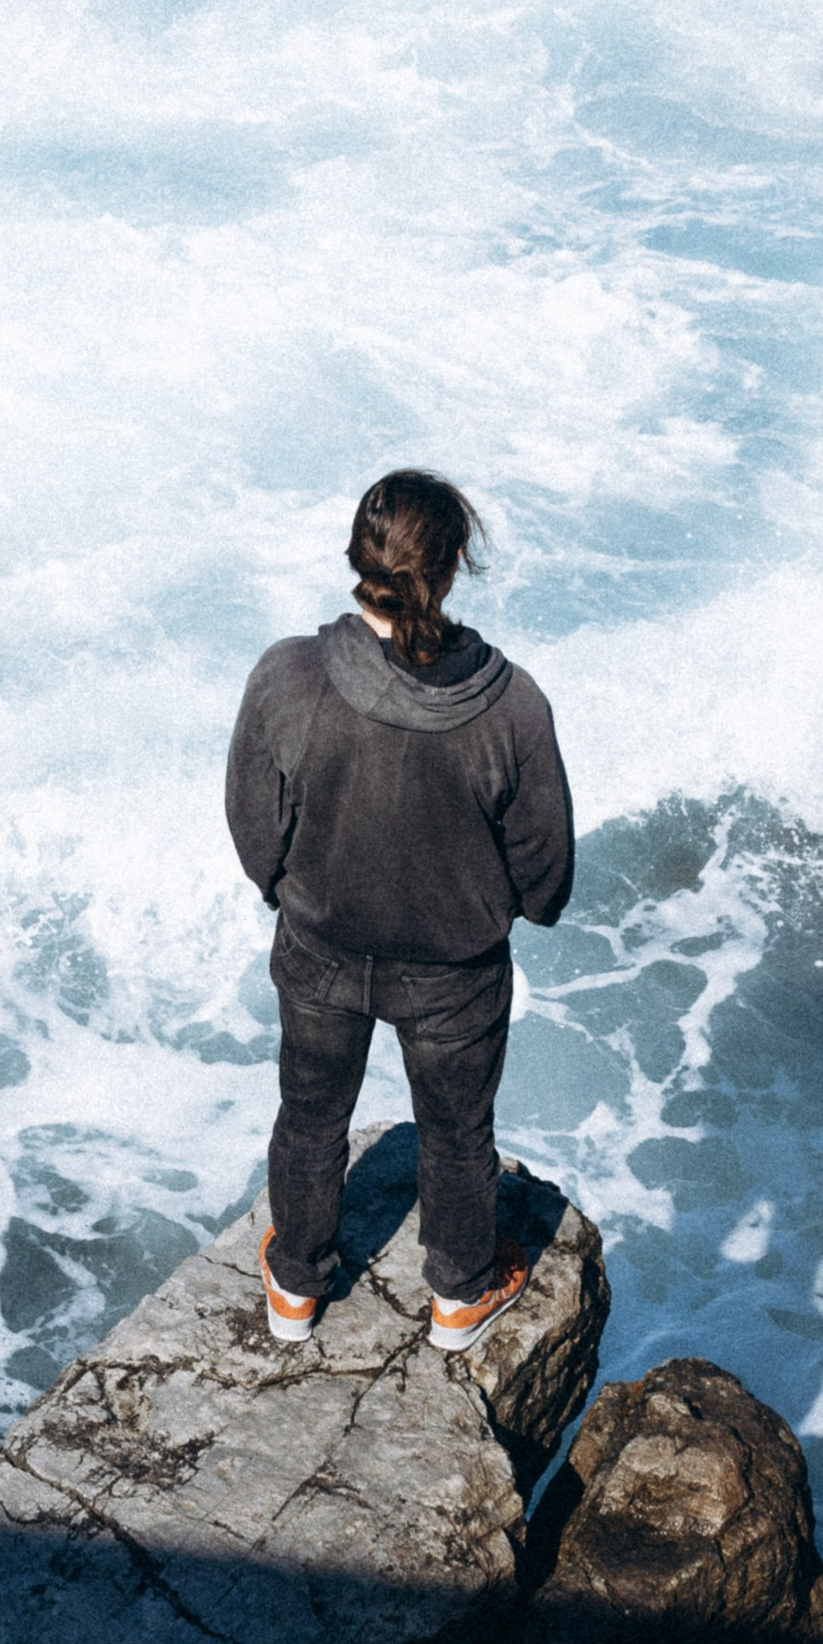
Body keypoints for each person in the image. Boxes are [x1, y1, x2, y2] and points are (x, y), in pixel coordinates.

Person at [223, 467, 575, 1357]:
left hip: (320, 950)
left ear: (358, 556)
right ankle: (458, 1295)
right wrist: (506, 906)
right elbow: (547, 876)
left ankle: (296, 1284)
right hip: (453, 975)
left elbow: (250, 820)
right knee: (458, 1134)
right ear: (453, 567)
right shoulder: (510, 705)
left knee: (310, 1115)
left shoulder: (288, 676)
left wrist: (286, 889)